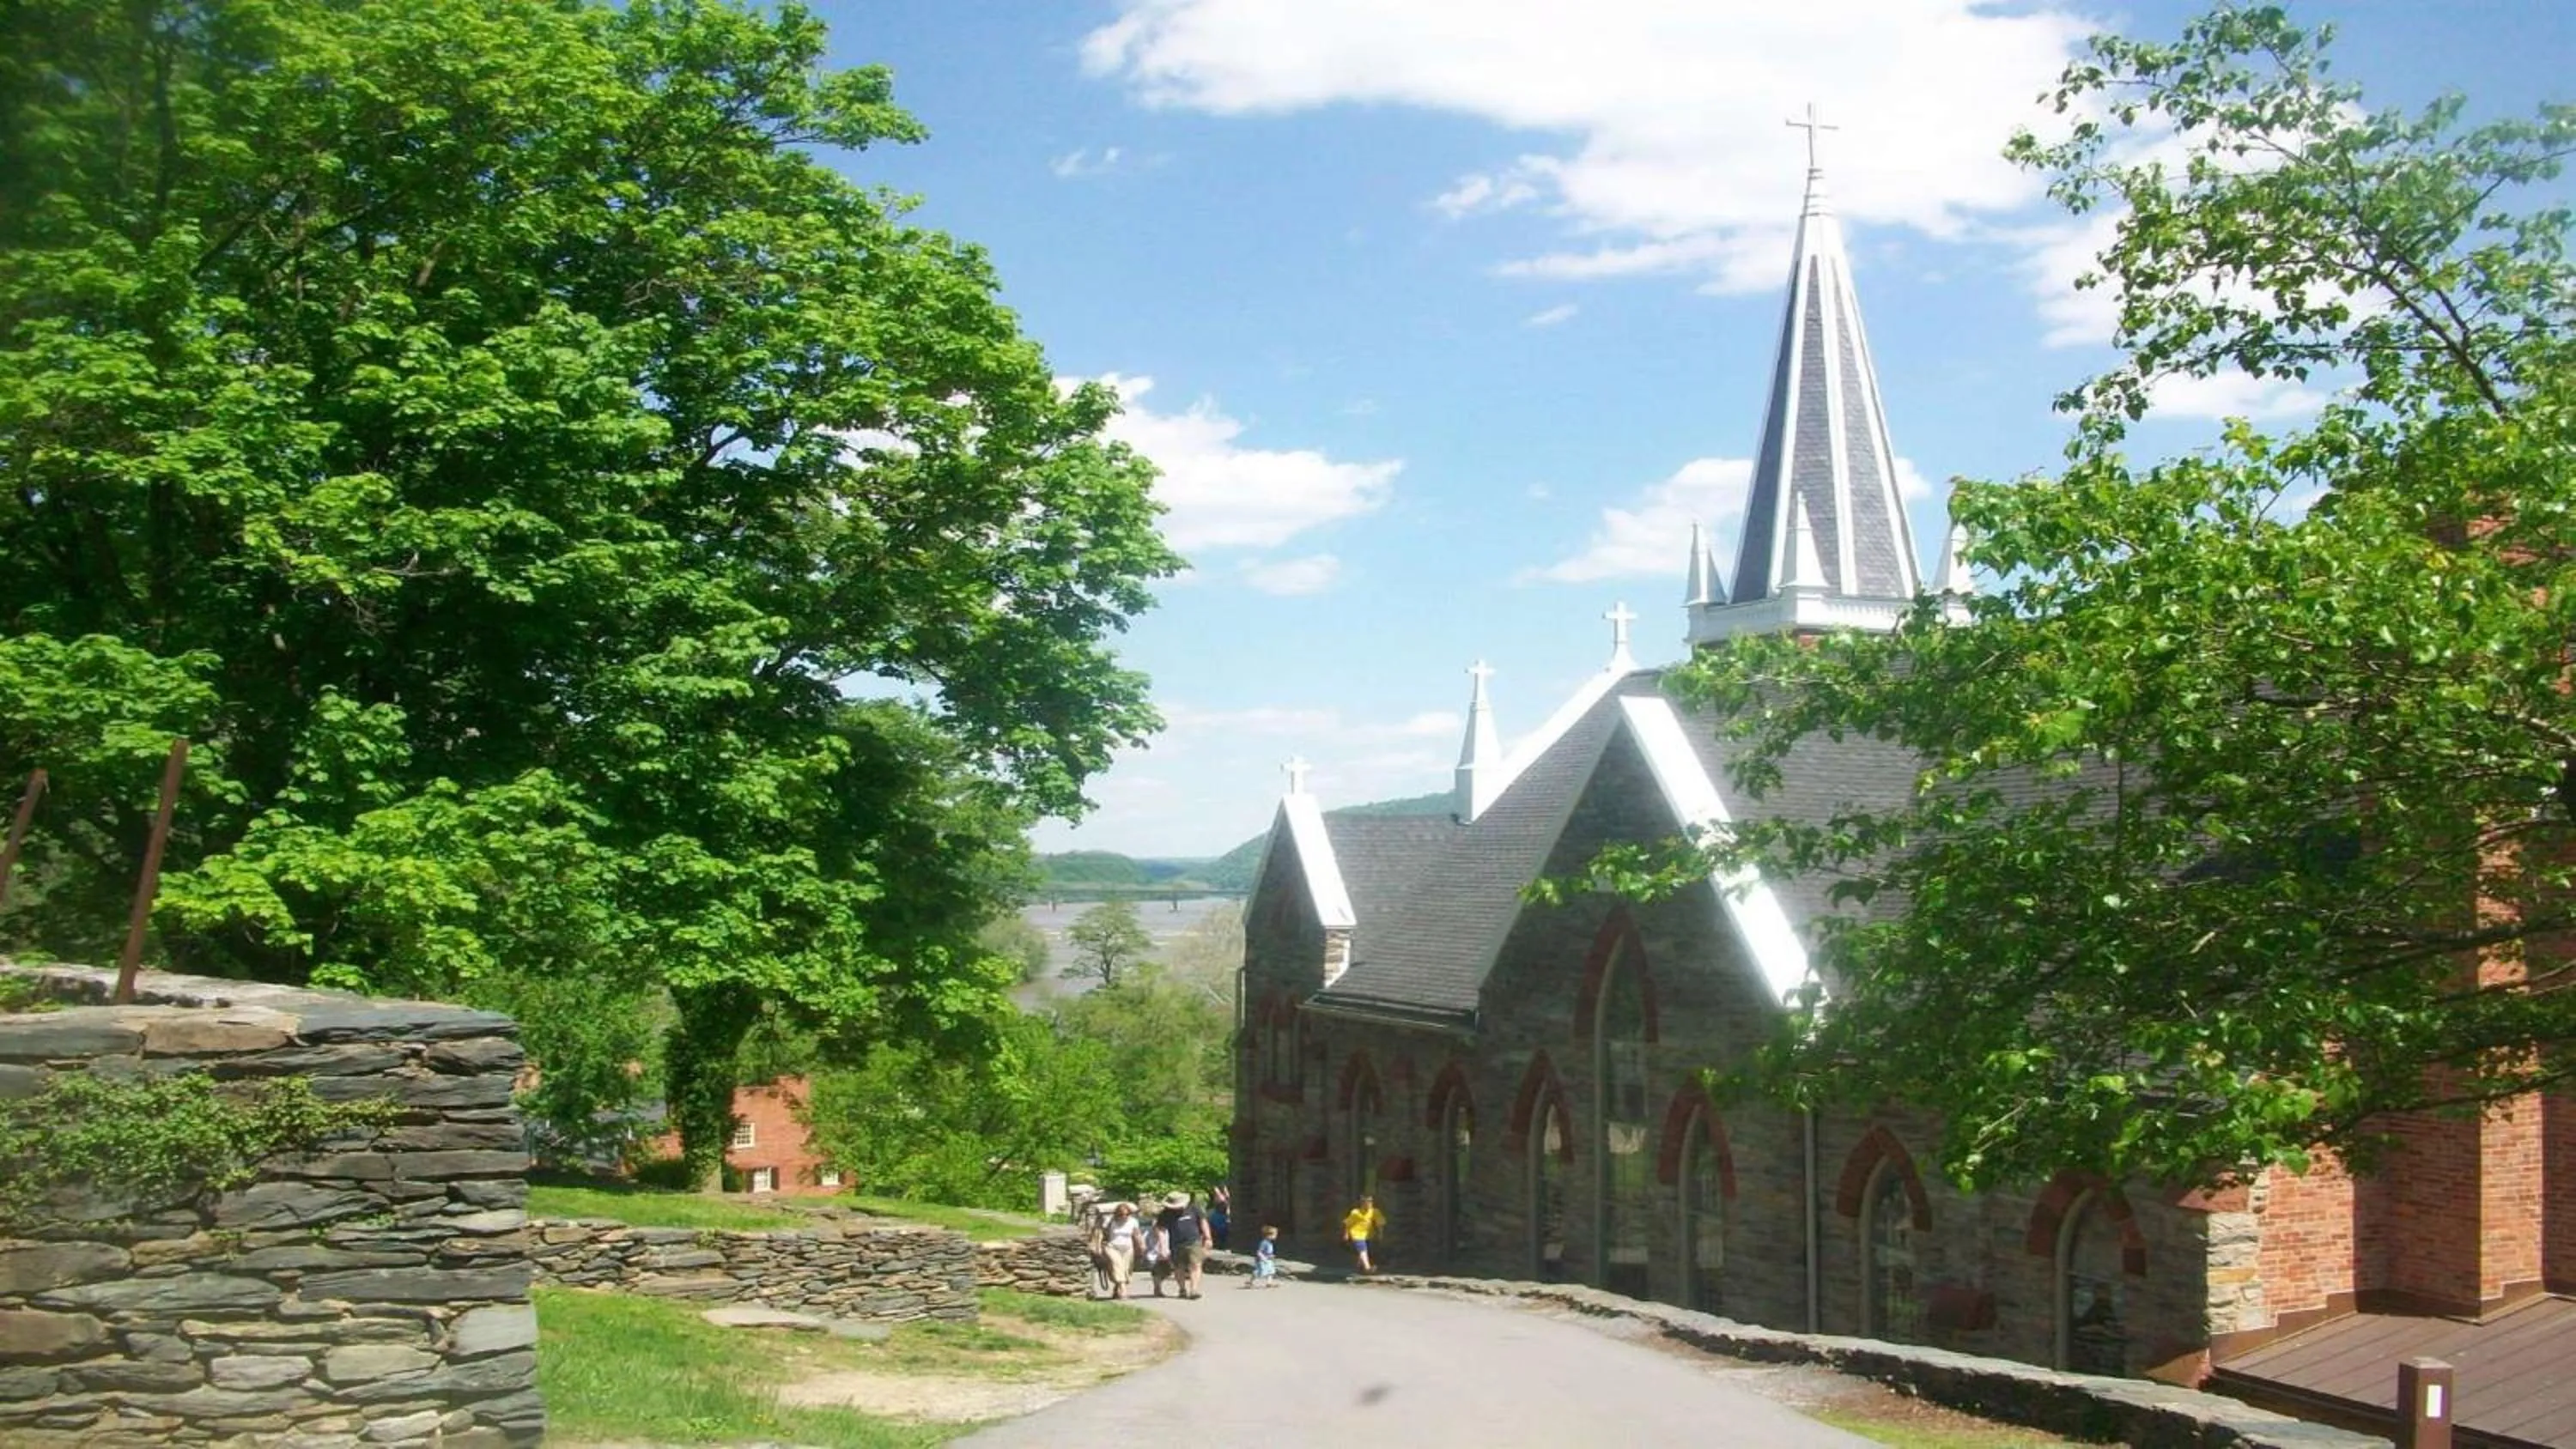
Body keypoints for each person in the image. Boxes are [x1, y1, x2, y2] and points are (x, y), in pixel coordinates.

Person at [1159, 1189, 1211, 1299]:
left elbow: (1203, 1221)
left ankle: (1194, 1290)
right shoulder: (1166, 1213)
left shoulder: (1193, 1208)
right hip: (1176, 1244)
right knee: (1179, 1267)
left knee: (1196, 1264)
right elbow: (1161, 1230)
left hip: (1194, 1241)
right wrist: (1163, 1246)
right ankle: (1182, 1289)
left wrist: (1207, 1237)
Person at [1097, 1201, 1143, 1300]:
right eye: (1122, 1214)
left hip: (1128, 1248)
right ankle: (1123, 1290)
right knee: (1117, 1266)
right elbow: (1101, 1233)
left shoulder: (1133, 1221)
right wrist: (1098, 1246)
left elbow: (1137, 1234)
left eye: (1127, 1214)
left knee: (1126, 1270)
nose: (1124, 1217)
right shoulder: (1110, 1221)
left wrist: (1141, 1246)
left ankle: (1116, 1289)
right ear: (1117, 1214)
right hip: (1112, 1247)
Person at [1342, 1193, 1385, 1274]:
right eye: (1365, 1201)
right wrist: (1346, 1234)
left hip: (1368, 1234)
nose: (1368, 1203)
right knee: (1363, 1250)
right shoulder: (1355, 1212)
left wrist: (1380, 1233)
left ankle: (1359, 1267)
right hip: (1356, 1234)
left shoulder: (1374, 1211)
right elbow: (1348, 1223)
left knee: (1363, 1251)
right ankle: (1367, 1268)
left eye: (1370, 1201)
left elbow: (1380, 1223)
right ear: (1361, 1203)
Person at [1245, 1224, 1280, 1288]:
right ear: (1269, 1235)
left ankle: (1269, 1283)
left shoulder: (1269, 1243)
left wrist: (1271, 1256)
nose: (1276, 1236)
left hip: (1268, 1260)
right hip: (1262, 1260)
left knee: (1270, 1271)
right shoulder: (1264, 1243)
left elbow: (1268, 1252)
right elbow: (1259, 1252)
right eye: (1275, 1235)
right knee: (1259, 1272)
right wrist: (1263, 1258)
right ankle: (1250, 1282)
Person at [1207, 1185, 1230, 1251]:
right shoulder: (1212, 1213)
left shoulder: (1227, 1212)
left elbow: (1227, 1199)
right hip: (1217, 1233)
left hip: (1224, 1233)